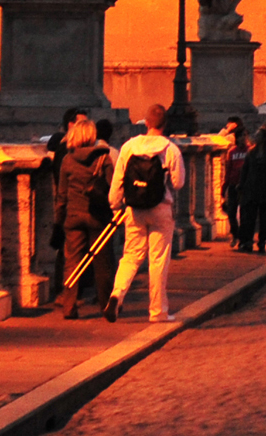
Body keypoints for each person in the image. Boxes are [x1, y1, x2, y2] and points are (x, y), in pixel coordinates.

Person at [105, 108, 187, 322]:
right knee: (158, 261)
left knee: (131, 256)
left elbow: (118, 180)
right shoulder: (170, 149)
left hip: (135, 209)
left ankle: (117, 294)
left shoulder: (129, 146)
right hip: (161, 208)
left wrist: (115, 205)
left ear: (146, 123)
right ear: (164, 124)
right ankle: (157, 311)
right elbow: (178, 183)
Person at [55, 110, 118, 311]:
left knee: (72, 260)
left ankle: (69, 304)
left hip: (73, 215)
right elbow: (112, 189)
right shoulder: (104, 158)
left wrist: (59, 219)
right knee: (102, 262)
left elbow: (61, 195)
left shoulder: (67, 160)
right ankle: (105, 304)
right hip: (98, 216)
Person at [232, 122, 266, 254]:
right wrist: (241, 185)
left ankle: (262, 243)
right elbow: (245, 170)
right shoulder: (251, 152)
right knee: (250, 217)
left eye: (258, 135)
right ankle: (248, 242)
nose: (256, 137)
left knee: (264, 219)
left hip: (265, 189)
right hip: (251, 188)